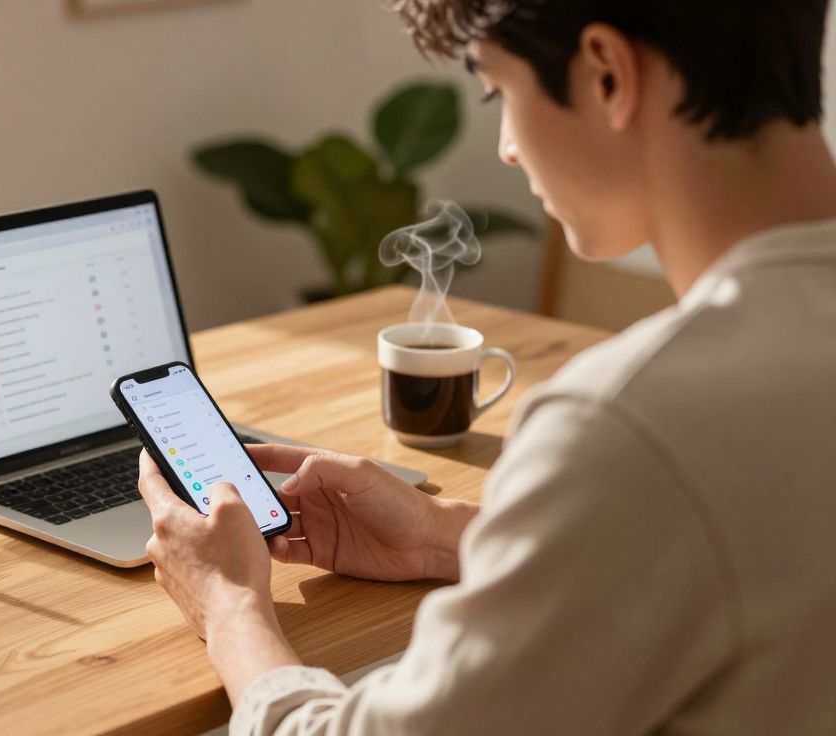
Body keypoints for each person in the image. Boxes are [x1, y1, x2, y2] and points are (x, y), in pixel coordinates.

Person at [136, 0, 836, 733]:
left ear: (606, 74)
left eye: (497, 90)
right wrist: (443, 534)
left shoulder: (629, 425)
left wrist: (229, 607)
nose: (506, 148)